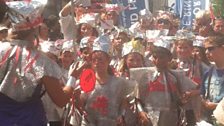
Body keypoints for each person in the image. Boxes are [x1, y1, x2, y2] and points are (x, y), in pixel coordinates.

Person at [0, 1, 85, 125]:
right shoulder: (43, 62)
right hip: (30, 120)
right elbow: (60, 100)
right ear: (36, 29)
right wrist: (72, 78)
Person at [131, 39, 197, 126]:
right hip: (150, 116)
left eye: (161, 57)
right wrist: (141, 112)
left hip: (171, 116)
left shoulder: (176, 76)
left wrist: (185, 98)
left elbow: (187, 94)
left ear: (169, 58)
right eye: (155, 57)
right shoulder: (146, 75)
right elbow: (137, 98)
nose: (158, 60)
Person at [79, 35, 135, 126]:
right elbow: (81, 104)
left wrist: (121, 116)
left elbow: (124, 103)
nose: (97, 63)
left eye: (100, 59)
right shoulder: (86, 81)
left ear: (108, 60)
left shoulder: (119, 82)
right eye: (94, 60)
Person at [201, 35, 224, 124]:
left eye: (210, 49)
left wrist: (217, 106)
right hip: (210, 117)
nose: (206, 52)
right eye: (205, 49)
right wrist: (204, 102)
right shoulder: (208, 72)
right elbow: (203, 93)